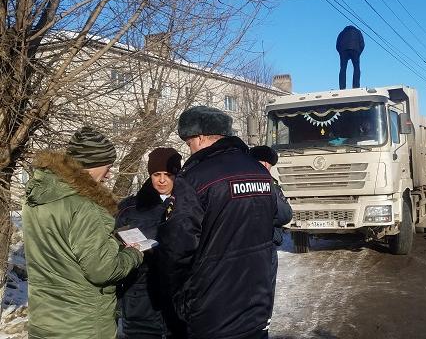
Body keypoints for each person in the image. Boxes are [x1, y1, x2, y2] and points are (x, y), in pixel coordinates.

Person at [157, 106, 277, 339]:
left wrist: (177, 296)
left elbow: (177, 248)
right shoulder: (259, 171)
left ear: (200, 137)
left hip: (213, 307)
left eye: (189, 142)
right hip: (258, 299)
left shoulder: (195, 177)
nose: (189, 149)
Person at [22, 126, 143, 339]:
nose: (109, 172)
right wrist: (133, 253)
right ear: (94, 164)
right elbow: (102, 270)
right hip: (82, 325)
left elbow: (61, 250)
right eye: (108, 165)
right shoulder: (85, 207)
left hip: (43, 321)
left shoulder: (36, 198)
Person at [116, 147, 184, 339]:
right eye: (157, 174)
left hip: (178, 302)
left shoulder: (189, 204)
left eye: (168, 174)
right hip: (140, 300)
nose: (162, 180)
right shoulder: (130, 208)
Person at [249, 145, 293, 319]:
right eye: (263, 163)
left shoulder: (270, 186)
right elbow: (283, 214)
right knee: (260, 295)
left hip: (260, 246)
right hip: (261, 247)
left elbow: (285, 214)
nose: (265, 167)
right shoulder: (261, 184)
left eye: (266, 164)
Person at [336, 25, 365, 89]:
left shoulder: (341, 33)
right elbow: (362, 43)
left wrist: (341, 52)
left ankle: (342, 87)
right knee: (356, 68)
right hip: (355, 50)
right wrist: (359, 52)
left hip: (344, 51)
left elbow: (337, 45)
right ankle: (356, 86)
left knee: (343, 69)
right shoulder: (358, 32)